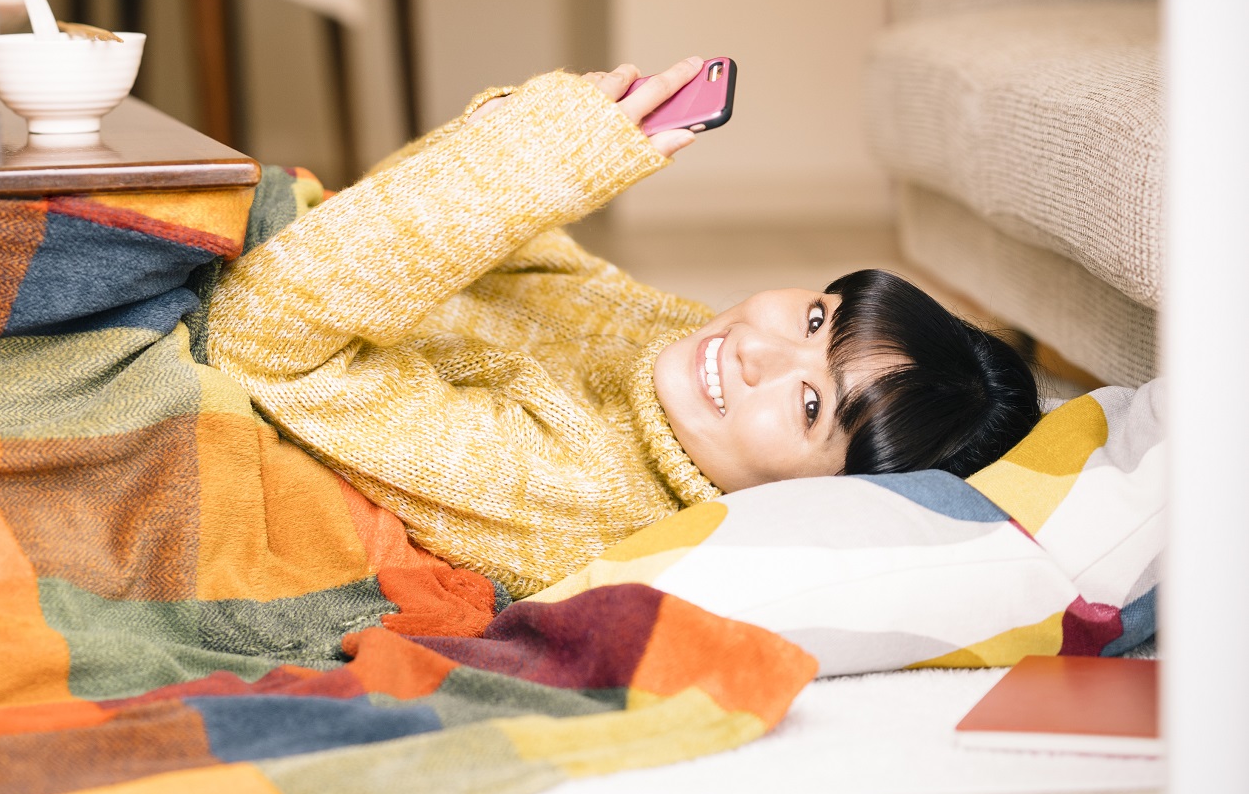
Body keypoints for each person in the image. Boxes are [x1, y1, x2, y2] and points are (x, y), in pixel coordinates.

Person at [205, 59, 1041, 598]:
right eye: (817, 318)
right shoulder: (678, 366)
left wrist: (529, 164)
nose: (757, 348)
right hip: (296, 252)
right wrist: (524, 132)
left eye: (812, 405)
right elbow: (444, 223)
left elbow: (253, 333)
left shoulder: (582, 491)